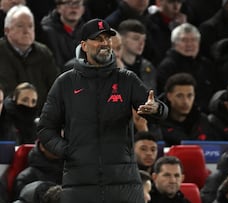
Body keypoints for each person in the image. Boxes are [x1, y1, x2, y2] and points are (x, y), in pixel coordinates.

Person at [37, 18, 168, 202]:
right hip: (79, 185)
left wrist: (156, 109)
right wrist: (68, 150)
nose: (105, 43)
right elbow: (45, 129)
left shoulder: (127, 80)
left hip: (124, 186)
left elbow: (159, 110)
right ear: (84, 45)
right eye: (98, 39)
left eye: (107, 39)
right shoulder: (65, 83)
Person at [0, 5, 59, 110]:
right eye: (20, 26)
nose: (26, 31)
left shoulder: (44, 53)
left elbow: (56, 89)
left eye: (30, 26)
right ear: (7, 30)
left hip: (41, 117)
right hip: (8, 118)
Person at [156, 23, 218, 113]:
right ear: (174, 44)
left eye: (193, 40)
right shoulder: (167, 67)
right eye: (184, 40)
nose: (189, 44)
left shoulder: (206, 64)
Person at [159, 73, 216, 146]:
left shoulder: (203, 122)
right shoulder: (158, 123)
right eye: (179, 96)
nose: (185, 101)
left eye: (190, 96)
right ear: (169, 96)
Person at [40, 0, 86, 71]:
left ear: (83, 9)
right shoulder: (47, 32)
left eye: (77, 3)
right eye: (68, 3)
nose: (73, 8)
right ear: (58, 8)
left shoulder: (88, 30)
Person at [117, 19, 157, 90]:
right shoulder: (113, 66)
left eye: (144, 40)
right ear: (121, 39)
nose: (141, 43)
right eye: (136, 38)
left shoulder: (147, 67)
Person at [146, 0, 187, 65]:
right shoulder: (150, 24)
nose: (176, 7)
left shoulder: (184, 22)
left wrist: (183, 28)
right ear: (159, 2)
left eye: (179, 2)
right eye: (170, 2)